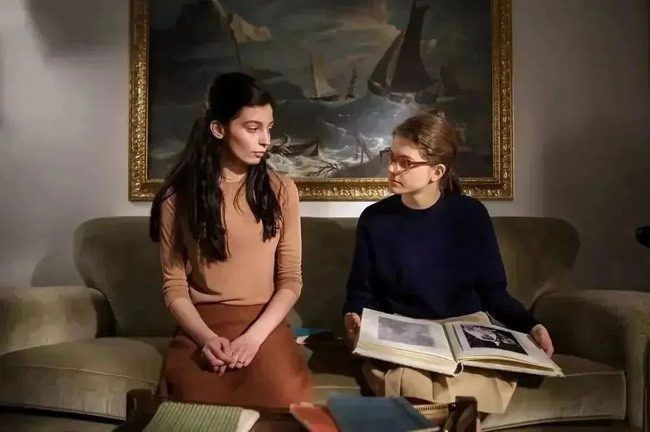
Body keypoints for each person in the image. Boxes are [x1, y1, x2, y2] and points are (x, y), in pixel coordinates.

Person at [342, 109, 554, 420]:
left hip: (467, 330)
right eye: (391, 157)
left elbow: (494, 292)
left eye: (405, 162)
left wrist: (531, 326)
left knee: (466, 394)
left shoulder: (471, 215)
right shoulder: (375, 219)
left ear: (437, 172)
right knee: (413, 389)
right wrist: (354, 317)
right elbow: (361, 291)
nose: (392, 168)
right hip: (405, 333)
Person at [149, 72, 312, 407]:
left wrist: (254, 338)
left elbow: (290, 279)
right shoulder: (177, 197)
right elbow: (174, 286)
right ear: (219, 129)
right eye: (252, 128)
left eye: (269, 128)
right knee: (193, 403)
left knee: (282, 397)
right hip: (203, 325)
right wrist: (206, 339)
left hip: (264, 323)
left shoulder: (282, 190)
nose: (265, 140)